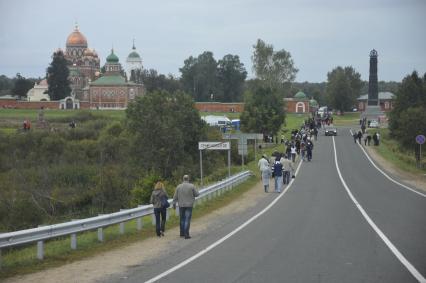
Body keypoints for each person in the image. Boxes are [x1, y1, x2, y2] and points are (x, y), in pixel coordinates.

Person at [173, 175, 199, 239]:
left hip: (181, 205)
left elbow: (175, 197)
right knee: (187, 219)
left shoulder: (178, 186)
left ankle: (182, 233)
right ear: (188, 179)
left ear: (183, 179)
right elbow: (197, 194)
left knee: (182, 219)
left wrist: (174, 204)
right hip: (189, 205)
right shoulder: (192, 186)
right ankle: (186, 234)